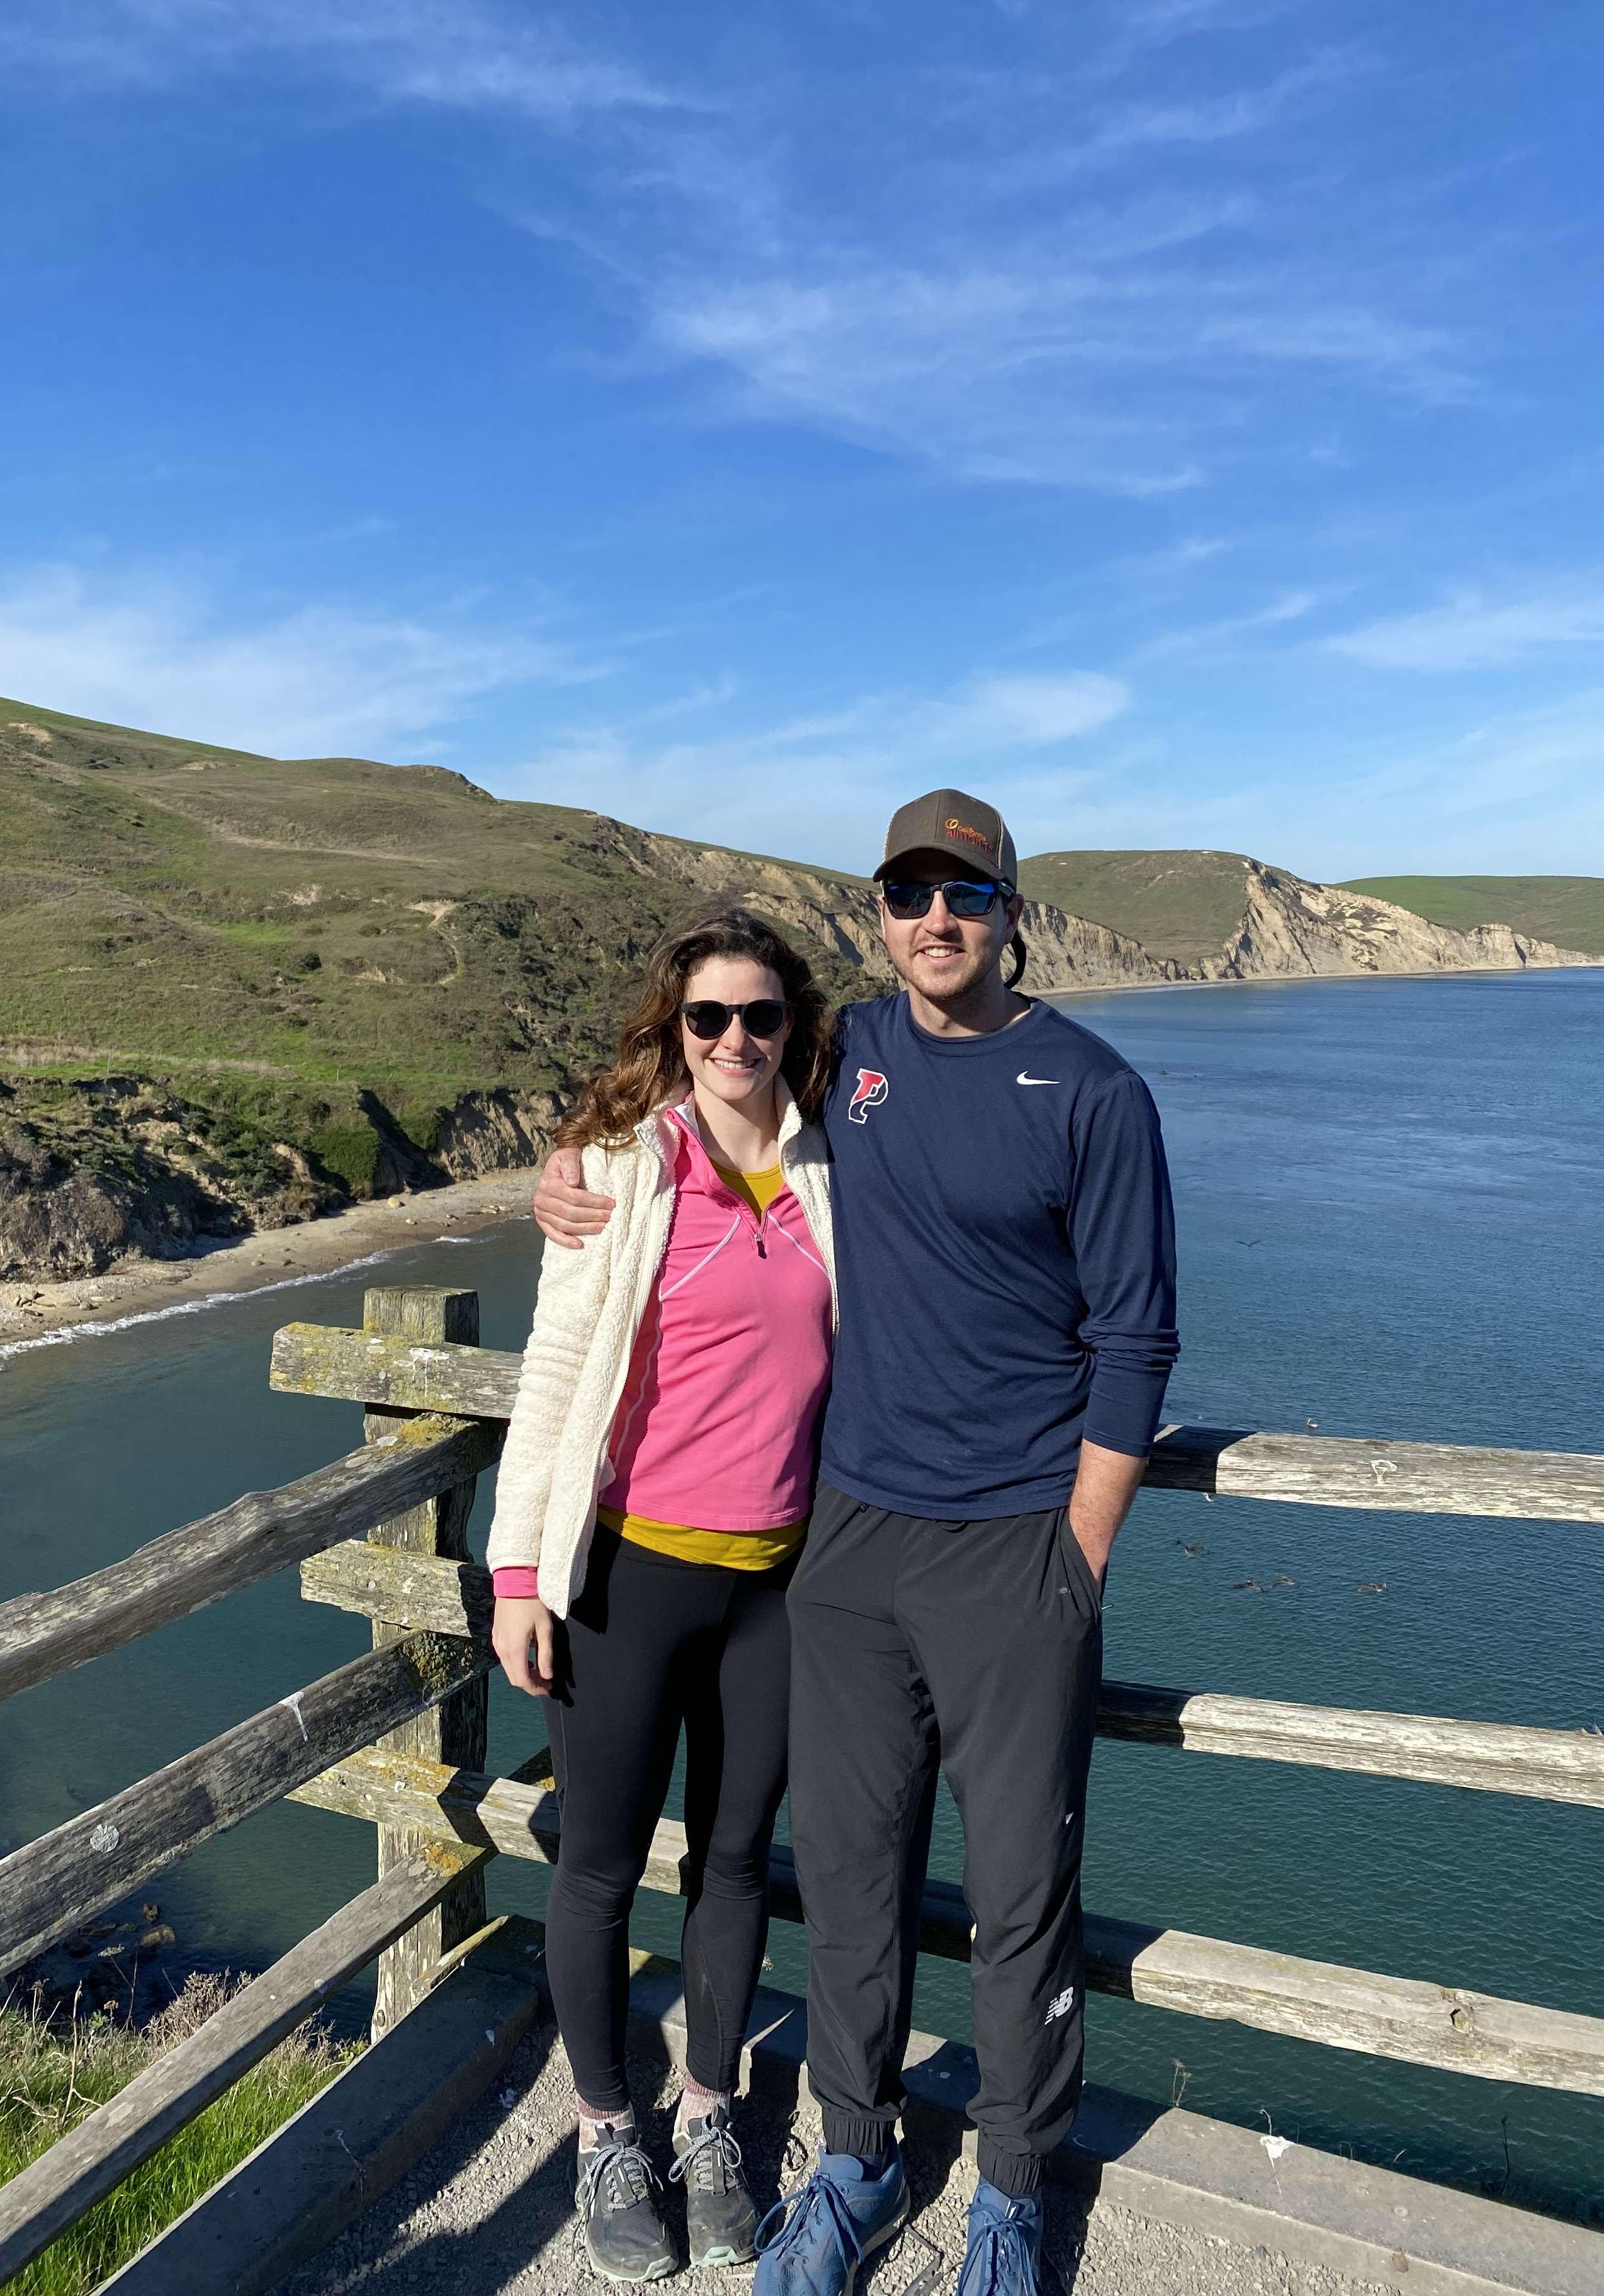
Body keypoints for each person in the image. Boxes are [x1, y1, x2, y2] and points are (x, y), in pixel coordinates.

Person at [535, 788, 1180, 2296]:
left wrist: (1078, 1556)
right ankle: (855, 2161)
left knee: (1021, 1891)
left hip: (1018, 1545)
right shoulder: (848, 1056)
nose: (936, 920)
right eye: (908, 896)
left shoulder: (1092, 1089)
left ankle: (1014, 2194)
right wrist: (562, 1168)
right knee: (851, 1874)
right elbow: (696, 1083)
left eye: (965, 895)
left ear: (1013, 911)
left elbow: (1138, 1341)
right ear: (879, 917)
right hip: (847, 1548)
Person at [489, 909, 840, 2283]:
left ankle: (707, 2115)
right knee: (596, 1862)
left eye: (761, 1017)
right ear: (674, 1031)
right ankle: (604, 2128)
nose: (738, 1040)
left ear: (794, 1026)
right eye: (710, 1019)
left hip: (780, 1587)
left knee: (739, 1862)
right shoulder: (625, 1175)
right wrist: (520, 1573)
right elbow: (551, 1372)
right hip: (629, 1579)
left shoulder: (832, 1168)